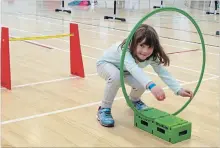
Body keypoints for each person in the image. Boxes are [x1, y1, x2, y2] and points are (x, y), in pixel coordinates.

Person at [96, 24, 193, 127]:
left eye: (149, 47)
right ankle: (104, 108)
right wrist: (151, 86)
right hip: (106, 65)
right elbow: (133, 68)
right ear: (134, 43)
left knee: (141, 84)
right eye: (141, 45)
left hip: (125, 71)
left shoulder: (152, 56)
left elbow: (163, 72)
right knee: (116, 77)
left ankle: (134, 101)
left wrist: (178, 89)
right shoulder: (125, 49)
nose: (145, 51)